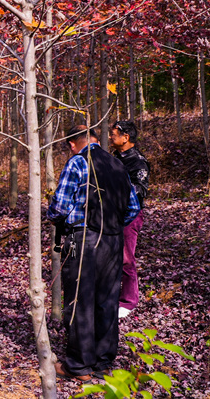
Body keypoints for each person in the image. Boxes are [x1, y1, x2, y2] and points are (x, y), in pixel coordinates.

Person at [48, 125, 140, 381]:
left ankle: (79, 366)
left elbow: (59, 207)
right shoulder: (118, 165)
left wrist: (57, 218)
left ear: (72, 143)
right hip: (113, 242)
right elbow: (133, 208)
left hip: (85, 240)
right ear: (97, 140)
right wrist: (112, 225)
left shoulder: (78, 162)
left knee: (80, 300)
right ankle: (102, 363)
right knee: (107, 302)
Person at [109, 120, 150, 319]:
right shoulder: (113, 158)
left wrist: (117, 190)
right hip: (110, 214)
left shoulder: (138, 162)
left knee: (126, 258)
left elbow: (141, 190)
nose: (111, 137)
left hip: (130, 216)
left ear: (126, 138)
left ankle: (129, 300)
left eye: (114, 134)